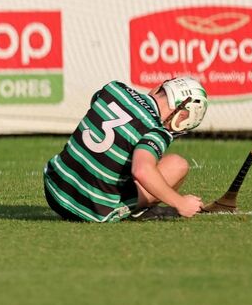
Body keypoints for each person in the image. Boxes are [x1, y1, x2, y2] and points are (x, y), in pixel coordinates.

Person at [43, 77, 208, 223]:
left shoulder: (114, 89)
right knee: (177, 165)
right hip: (90, 211)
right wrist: (180, 203)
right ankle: (137, 212)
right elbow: (142, 170)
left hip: (53, 187)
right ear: (182, 115)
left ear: (160, 87)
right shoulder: (157, 131)